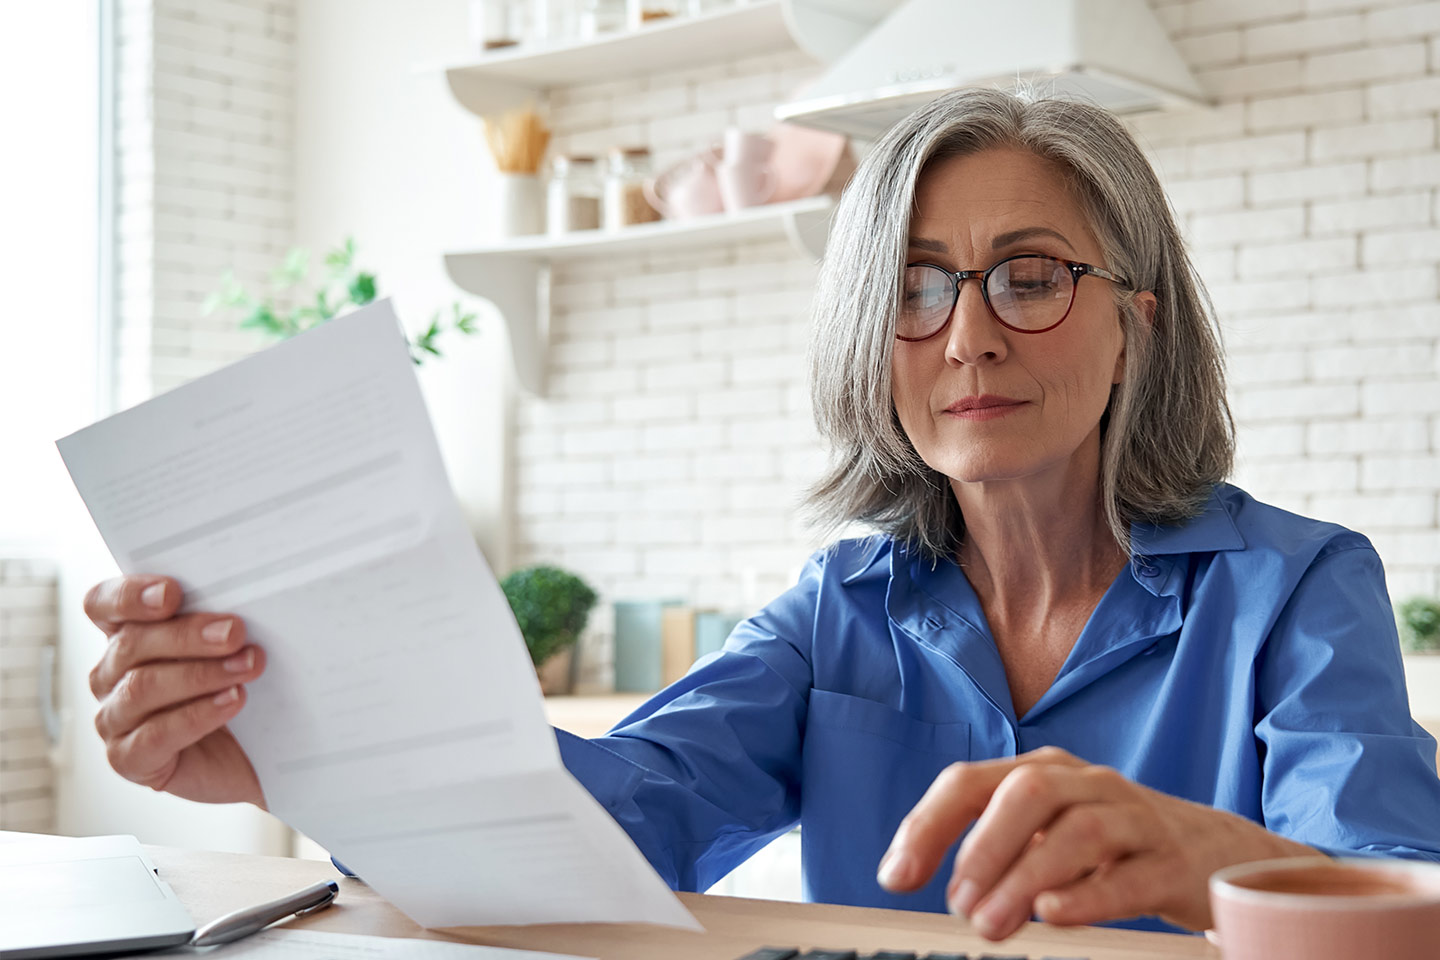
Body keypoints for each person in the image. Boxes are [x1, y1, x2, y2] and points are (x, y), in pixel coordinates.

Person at [82, 87, 1440, 941]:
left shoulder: (1297, 589)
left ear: (1135, 329)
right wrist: (282, 749)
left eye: (1030, 277)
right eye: (914, 289)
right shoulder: (835, 610)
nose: (967, 335)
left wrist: (1213, 863)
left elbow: (1400, 887)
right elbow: (612, 821)